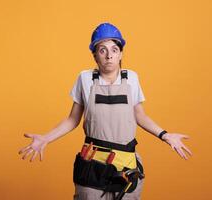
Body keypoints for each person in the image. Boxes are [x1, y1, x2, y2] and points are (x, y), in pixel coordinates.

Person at [18, 22, 193, 200]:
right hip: (92, 165)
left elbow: (140, 115)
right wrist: (46, 138)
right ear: (95, 55)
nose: (109, 55)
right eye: (102, 50)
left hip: (125, 165)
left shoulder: (131, 78)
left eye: (114, 49)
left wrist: (165, 135)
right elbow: (72, 119)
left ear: (120, 54)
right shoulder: (84, 79)